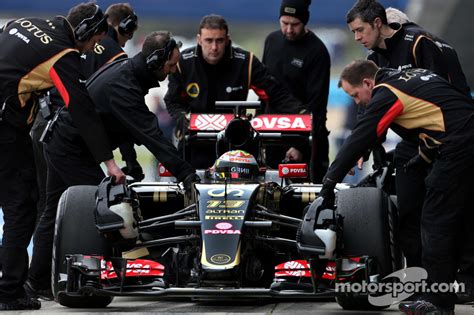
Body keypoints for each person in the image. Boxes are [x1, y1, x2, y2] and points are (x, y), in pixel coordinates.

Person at [26, 30, 200, 301]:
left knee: (51, 213)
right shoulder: (125, 84)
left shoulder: (129, 72)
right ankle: (95, 279)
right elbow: (150, 135)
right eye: (170, 65)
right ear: (155, 60)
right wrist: (188, 175)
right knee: (101, 210)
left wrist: (130, 161)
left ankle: (36, 281)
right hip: (70, 148)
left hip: (63, 141)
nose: (174, 70)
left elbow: (121, 123)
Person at [319, 60, 474, 314]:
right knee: (452, 218)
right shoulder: (408, 76)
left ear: (368, 83)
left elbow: (361, 135)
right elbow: (444, 113)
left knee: (434, 222)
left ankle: (439, 303)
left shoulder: (388, 91)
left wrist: (329, 182)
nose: (357, 102)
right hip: (461, 139)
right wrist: (421, 157)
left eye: (355, 95)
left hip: (460, 147)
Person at [345, 0, 474, 302]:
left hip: (449, 134)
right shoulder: (375, 57)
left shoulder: (419, 43)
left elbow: (440, 97)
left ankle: (464, 279)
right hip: (414, 140)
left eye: (360, 30)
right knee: (409, 208)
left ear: (379, 24)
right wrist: (365, 145)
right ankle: (417, 277)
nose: (357, 38)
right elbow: (375, 106)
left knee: (449, 210)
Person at [0, 2, 125, 310]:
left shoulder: (22, 22)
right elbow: (80, 107)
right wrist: (108, 162)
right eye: (95, 39)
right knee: (22, 206)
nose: (94, 47)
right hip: (5, 130)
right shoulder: (61, 52)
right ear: (84, 31)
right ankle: (9, 291)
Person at [29, 2, 140, 232]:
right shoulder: (116, 58)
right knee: (93, 201)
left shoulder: (65, 43)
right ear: (125, 28)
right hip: (69, 131)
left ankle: (38, 265)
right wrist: (127, 160)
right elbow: (116, 112)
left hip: (43, 122)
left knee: (45, 206)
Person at [164, 14, 304, 169]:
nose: (214, 47)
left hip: (237, 142)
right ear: (199, 39)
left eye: (220, 40)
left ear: (228, 39)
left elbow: (276, 94)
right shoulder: (183, 62)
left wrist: (301, 111)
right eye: (209, 40)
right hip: (195, 142)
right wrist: (181, 118)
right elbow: (172, 100)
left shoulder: (246, 61)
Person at [262, 0, 330, 183]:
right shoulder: (271, 41)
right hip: (271, 134)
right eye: (284, 23)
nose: (289, 30)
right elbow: (263, 89)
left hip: (302, 138)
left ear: (305, 22)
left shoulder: (317, 51)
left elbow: (317, 106)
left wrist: (300, 146)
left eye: (295, 25)